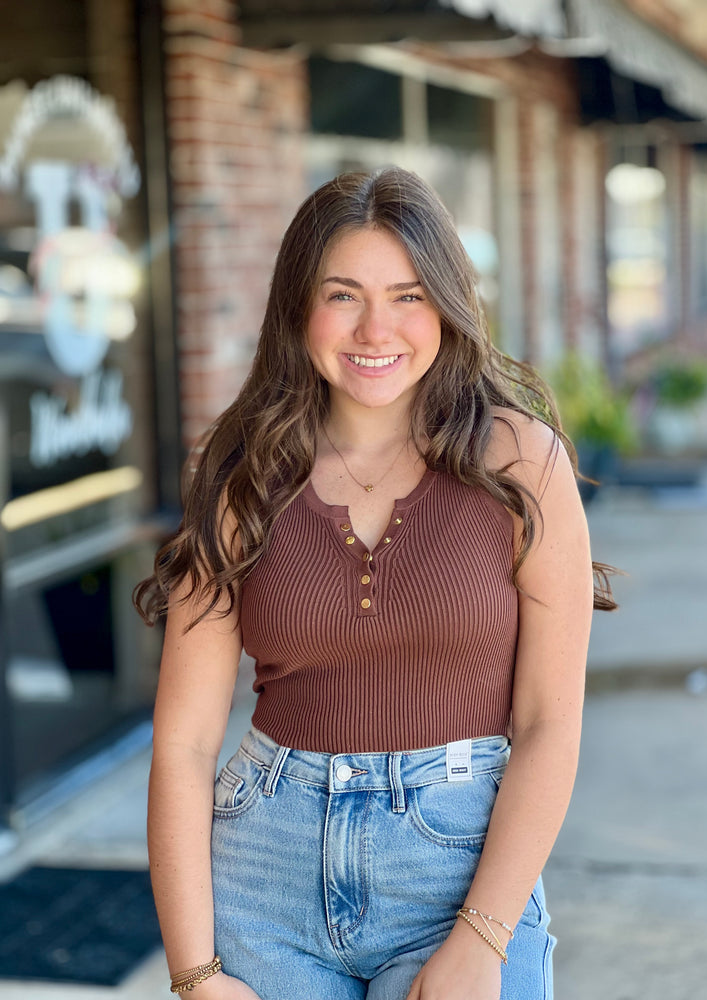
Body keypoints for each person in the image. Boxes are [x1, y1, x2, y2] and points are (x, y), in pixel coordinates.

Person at [135, 166, 616, 1000]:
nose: (375, 328)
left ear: (448, 306)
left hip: (458, 871)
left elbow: (548, 724)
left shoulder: (520, 460)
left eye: (408, 295)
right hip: (265, 873)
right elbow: (182, 745)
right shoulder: (243, 476)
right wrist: (195, 973)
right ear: (299, 308)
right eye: (344, 294)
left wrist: (485, 935)